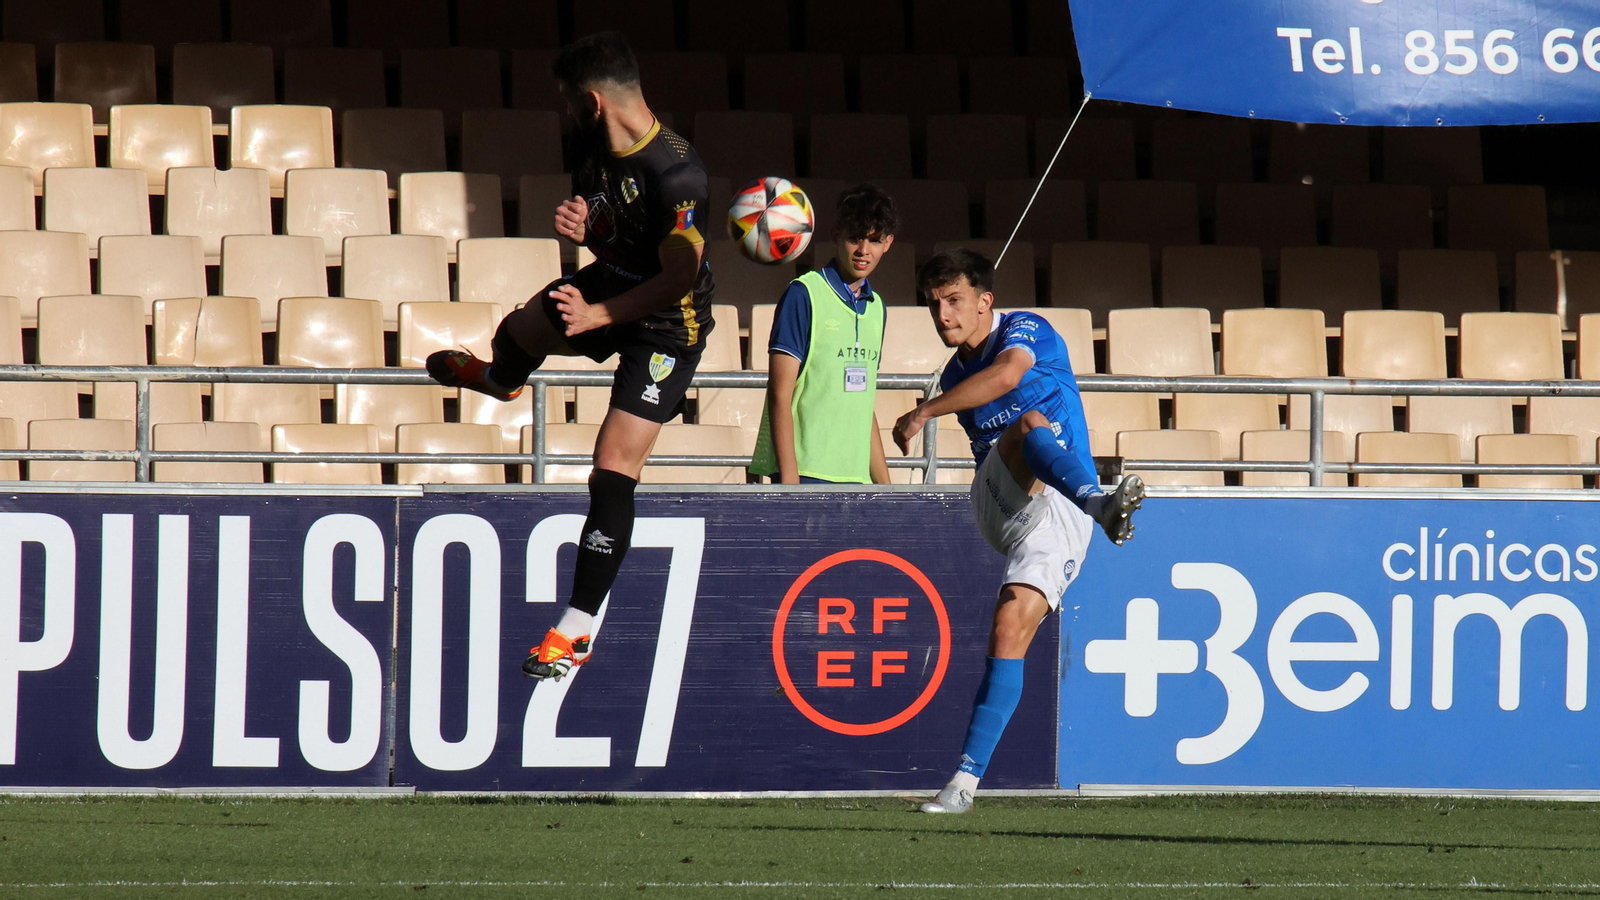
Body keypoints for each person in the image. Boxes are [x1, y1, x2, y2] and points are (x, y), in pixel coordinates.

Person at [425, 31, 715, 682]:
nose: (565, 111)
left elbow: (679, 276)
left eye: (566, 100)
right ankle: (501, 380)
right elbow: (616, 231)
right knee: (520, 329)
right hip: (610, 284)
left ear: (592, 100)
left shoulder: (678, 174)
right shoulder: (588, 143)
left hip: (667, 327)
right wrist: (589, 230)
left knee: (610, 468)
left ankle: (576, 629)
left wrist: (599, 316)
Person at [892, 248, 1143, 814]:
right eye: (934, 305)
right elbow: (999, 392)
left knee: (1009, 629)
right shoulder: (955, 375)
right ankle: (1102, 504)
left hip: (1060, 517)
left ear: (986, 301)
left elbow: (1008, 373)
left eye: (954, 301)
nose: (943, 315)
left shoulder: (1028, 329)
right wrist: (934, 405)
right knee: (1029, 424)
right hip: (1002, 500)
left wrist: (924, 411)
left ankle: (962, 785)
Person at [749, 184, 899, 485]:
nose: (863, 250)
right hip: (806, 476)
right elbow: (780, 395)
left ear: (888, 243)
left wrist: (886, 489)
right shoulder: (803, 294)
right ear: (836, 235)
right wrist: (790, 486)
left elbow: (863, 403)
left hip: (857, 480)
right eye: (854, 238)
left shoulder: (877, 308)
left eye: (874, 240)